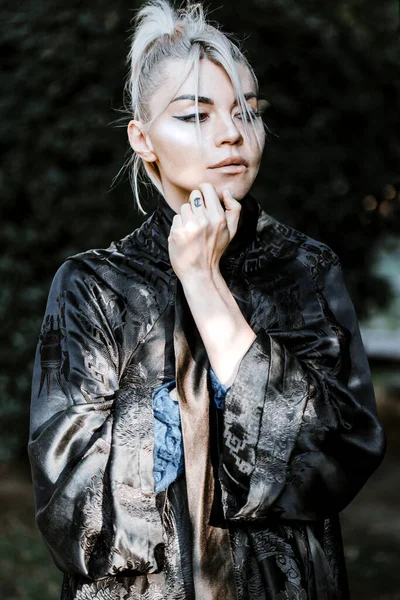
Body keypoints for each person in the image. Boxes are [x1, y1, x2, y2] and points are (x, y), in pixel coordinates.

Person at [27, 1, 386, 599]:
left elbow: (333, 459)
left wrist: (203, 283)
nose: (232, 133)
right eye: (196, 114)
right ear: (143, 139)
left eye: (247, 111)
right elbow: (75, 508)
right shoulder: (93, 286)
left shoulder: (305, 269)